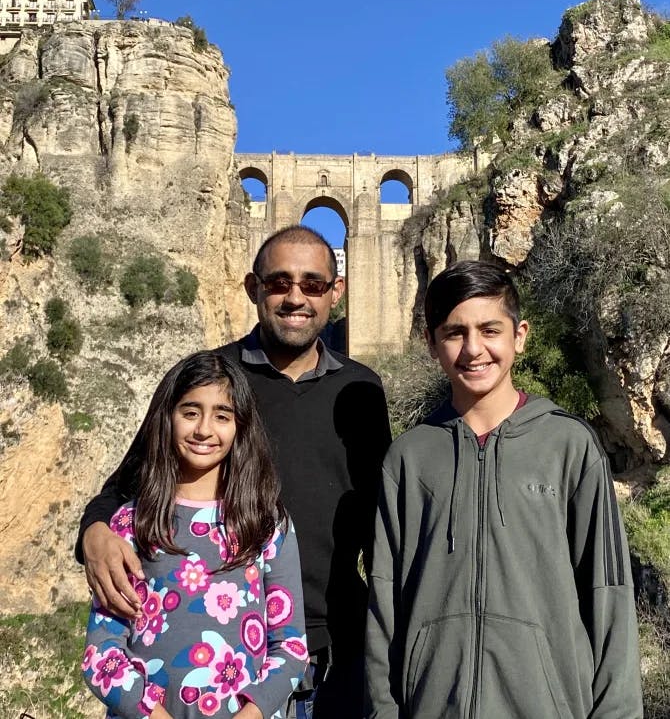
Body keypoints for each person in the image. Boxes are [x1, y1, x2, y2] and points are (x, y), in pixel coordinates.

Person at [77, 226, 392, 719]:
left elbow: (380, 519)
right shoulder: (208, 381)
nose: (295, 298)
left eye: (313, 284)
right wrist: (93, 534)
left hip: (337, 657)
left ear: (336, 292)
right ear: (253, 288)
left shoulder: (362, 390)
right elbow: (127, 484)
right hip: (218, 671)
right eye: (278, 282)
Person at [364, 260, 643, 719]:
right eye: (455, 332)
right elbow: (383, 603)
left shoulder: (568, 445)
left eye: (489, 329)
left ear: (520, 335)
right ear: (433, 344)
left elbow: (608, 591)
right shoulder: (409, 458)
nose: (474, 349)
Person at [82, 350, 308, 718]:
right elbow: (101, 656)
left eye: (222, 416)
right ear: (166, 418)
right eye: (190, 413)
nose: (204, 429)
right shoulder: (130, 524)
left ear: (241, 427)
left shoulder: (266, 525)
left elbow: (291, 648)